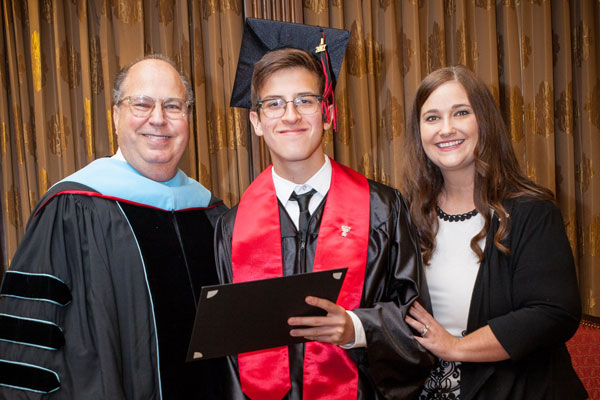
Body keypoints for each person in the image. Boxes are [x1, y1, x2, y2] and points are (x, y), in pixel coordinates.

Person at [215, 18, 435, 400]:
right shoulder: (231, 227)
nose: (290, 116)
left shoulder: (383, 209)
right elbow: (226, 349)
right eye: (274, 104)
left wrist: (358, 328)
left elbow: (418, 323)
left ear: (328, 112)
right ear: (256, 122)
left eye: (305, 101)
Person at [0, 55, 228, 399]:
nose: (158, 119)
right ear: (116, 116)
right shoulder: (71, 208)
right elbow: (30, 343)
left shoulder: (209, 211)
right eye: (142, 104)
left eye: (173, 106)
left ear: (188, 119)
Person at [402, 65, 587, 400]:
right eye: (431, 118)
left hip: (521, 390)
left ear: (484, 121)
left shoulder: (533, 210)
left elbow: (553, 313)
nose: (446, 129)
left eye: (461, 112)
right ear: (418, 132)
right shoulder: (407, 215)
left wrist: (456, 347)